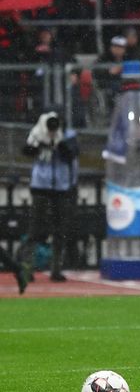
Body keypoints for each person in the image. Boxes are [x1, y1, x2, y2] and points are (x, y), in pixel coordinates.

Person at [17, 110, 79, 283]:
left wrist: (58, 141)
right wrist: (39, 142)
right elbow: (26, 151)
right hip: (41, 186)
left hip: (61, 187)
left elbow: (71, 154)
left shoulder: (68, 135)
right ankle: (27, 268)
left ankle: (56, 269)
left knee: (60, 231)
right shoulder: (38, 132)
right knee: (35, 229)